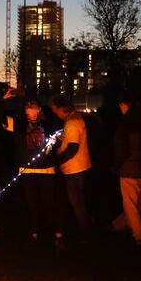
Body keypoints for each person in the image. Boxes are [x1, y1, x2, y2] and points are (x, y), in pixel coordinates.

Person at [4, 96, 65, 248]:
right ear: (25, 110)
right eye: (28, 106)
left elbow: (59, 138)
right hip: (27, 169)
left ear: (39, 109)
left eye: (34, 106)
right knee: (31, 203)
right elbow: (1, 117)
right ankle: (34, 232)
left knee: (49, 202)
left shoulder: (48, 124)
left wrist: (55, 141)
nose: (31, 108)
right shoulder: (18, 124)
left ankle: (57, 233)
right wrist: (3, 100)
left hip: (46, 169)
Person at [50, 96, 92, 243]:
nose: (55, 113)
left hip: (74, 168)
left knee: (77, 202)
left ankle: (85, 233)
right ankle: (83, 229)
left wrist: (57, 161)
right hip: (80, 165)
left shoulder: (72, 122)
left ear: (62, 109)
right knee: (78, 200)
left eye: (55, 110)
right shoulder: (75, 118)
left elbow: (73, 148)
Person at [111, 95, 141, 245]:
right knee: (139, 202)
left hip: (128, 169)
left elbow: (121, 149)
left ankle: (138, 235)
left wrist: (117, 166)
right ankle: (120, 225)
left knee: (130, 204)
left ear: (124, 105)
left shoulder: (124, 125)